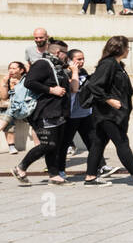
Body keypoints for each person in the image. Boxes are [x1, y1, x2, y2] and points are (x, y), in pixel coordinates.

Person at [80, 35, 133, 187]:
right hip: (108, 113)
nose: (128, 50)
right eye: (127, 47)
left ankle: (90, 177)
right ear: (119, 49)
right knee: (122, 142)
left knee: (98, 143)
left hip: (112, 113)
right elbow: (94, 85)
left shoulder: (118, 64)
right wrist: (108, 100)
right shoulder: (108, 64)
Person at [12, 39, 73, 185]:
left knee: (54, 145)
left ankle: (54, 175)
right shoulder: (43, 64)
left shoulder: (57, 67)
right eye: (66, 53)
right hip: (44, 112)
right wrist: (51, 90)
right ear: (58, 52)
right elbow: (29, 82)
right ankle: (20, 167)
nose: (68, 56)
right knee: (48, 144)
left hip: (56, 112)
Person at [62, 49, 96, 160]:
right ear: (70, 60)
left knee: (93, 142)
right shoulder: (65, 73)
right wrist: (74, 71)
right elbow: (74, 89)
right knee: (64, 143)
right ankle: (55, 168)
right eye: (79, 59)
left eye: (83, 59)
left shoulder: (83, 71)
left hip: (85, 113)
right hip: (71, 115)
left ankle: (101, 165)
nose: (82, 61)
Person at [2, 61, 26, 153]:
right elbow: (4, 97)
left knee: (7, 113)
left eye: (14, 68)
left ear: (21, 70)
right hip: (12, 108)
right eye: (10, 68)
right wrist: (5, 84)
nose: (11, 71)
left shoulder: (26, 79)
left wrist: (18, 86)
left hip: (25, 107)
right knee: (7, 113)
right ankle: (11, 146)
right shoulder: (6, 79)